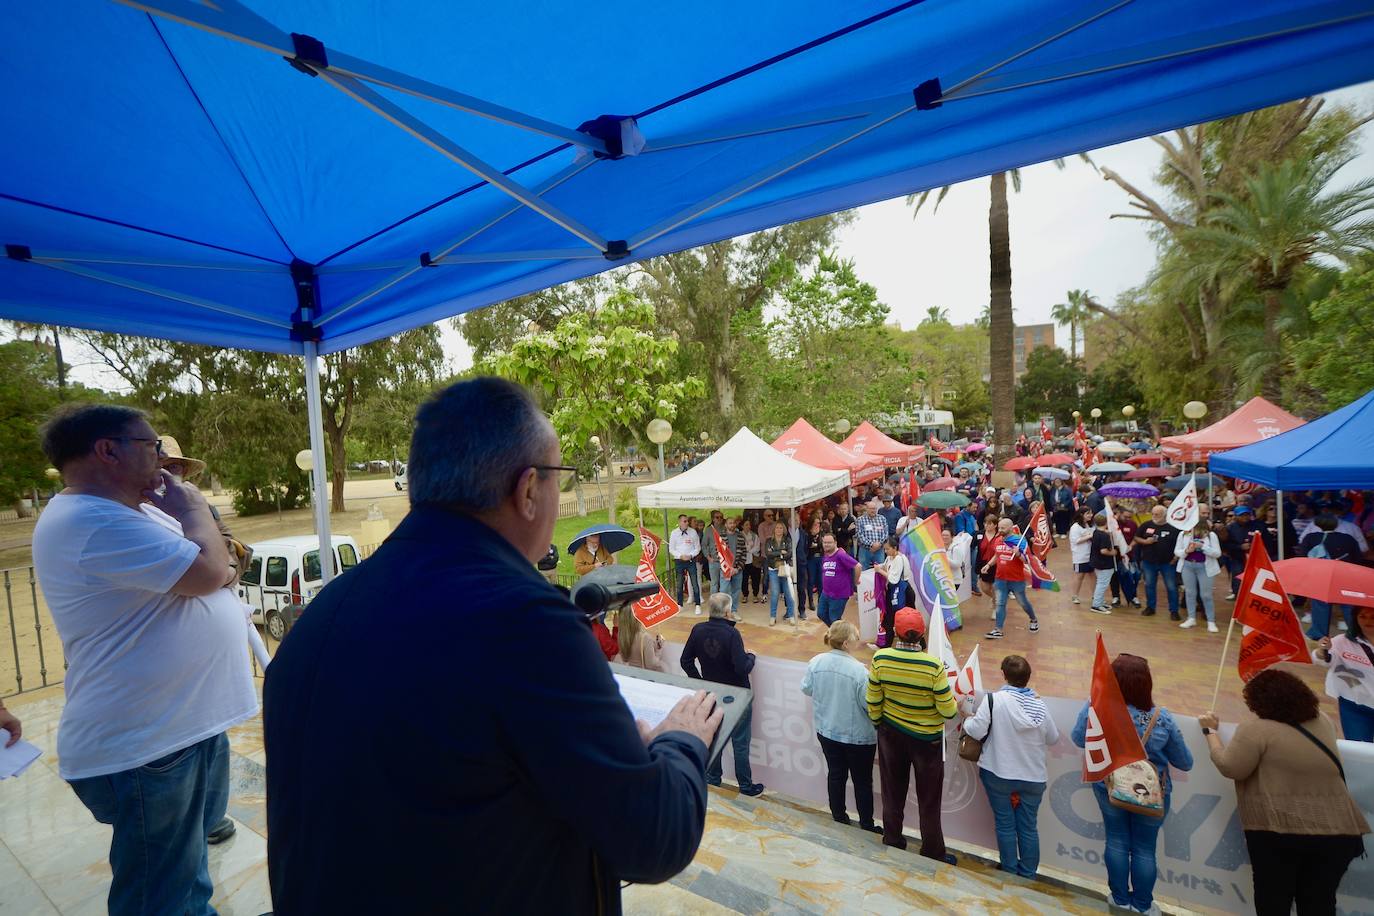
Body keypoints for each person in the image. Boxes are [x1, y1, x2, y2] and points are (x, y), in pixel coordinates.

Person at [263, 378, 721, 913]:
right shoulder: (527, 623)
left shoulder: (320, 617)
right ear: (528, 490)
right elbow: (653, 838)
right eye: (558, 479)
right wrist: (681, 741)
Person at [32, 404, 257, 916]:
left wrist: (211, 561)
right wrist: (196, 509)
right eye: (153, 446)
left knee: (186, 870)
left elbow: (222, 560)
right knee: (163, 891)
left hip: (181, 727)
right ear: (108, 450)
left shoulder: (135, 508)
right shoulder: (89, 520)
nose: (162, 458)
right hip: (148, 743)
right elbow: (208, 569)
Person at [1198, 669, 1369, 915]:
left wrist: (1210, 732)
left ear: (1260, 702)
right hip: (1338, 830)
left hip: (1279, 831)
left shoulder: (1255, 729)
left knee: (1273, 902)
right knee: (1319, 903)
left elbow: (1231, 767)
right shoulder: (1323, 720)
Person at [1071, 654, 1193, 915]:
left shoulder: (1097, 706)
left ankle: (1118, 899)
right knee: (1144, 849)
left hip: (1109, 786)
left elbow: (1078, 738)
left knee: (1116, 841)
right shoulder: (1162, 718)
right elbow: (1185, 762)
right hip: (1152, 793)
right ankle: (1142, 905)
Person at [867, 608, 959, 862]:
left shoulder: (881, 659)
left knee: (892, 793)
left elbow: (873, 699)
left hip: (890, 735)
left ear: (896, 631)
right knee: (929, 800)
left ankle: (893, 839)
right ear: (921, 634)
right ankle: (932, 850)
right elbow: (948, 710)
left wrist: (879, 722)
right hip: (926, 741)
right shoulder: (933, 666)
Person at [962, 655, 1061, 879]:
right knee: (1028, 827)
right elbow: (1053, 738)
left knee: (1005, 824)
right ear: (1028, 679)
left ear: (1004, 675)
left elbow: (976, 731)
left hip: (998, 773)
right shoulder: (1040, 705)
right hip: (1033, 778)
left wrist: (967, 718)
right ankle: (1027, 874)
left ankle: (1008, 869)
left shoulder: (994, 701)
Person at [681, 593, 764, 796]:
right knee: (740, 743)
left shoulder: (698, 629)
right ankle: (745, 786)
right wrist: (751, 657)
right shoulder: (731, 634)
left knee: (714, 738)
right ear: (727, 611)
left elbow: (686, 661)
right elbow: (742, 668)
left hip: (712, 695)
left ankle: (712, 779)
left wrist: (702, 682)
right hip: (737, 695)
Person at [801, 620, 879, 833]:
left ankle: (839, 815)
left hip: (827, 730)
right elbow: (869, 705)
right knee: (862, 781)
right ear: (846, 643)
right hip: (857, 737)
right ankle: (866, 823)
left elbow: (806, 688)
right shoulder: (859, 672)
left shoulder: (816, 662)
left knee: (836, 774)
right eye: (855, 636)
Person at [1315, 604, 1374, 742]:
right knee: (1359, 749)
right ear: (1355, 618)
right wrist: (1322, 651)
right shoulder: (1342, 641)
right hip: (1354, 705)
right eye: (1362, 616)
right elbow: (1326, 661)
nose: (1367, 621)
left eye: (1373, 617)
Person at [1301, 514, 1364, 639]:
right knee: (1348, 605)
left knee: (1320, 605)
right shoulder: (1347, 538)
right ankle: (1355, 633)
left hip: (1320, 575)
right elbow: (1357, 558)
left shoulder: (1310, 537)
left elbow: (1304, 556)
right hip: (1345, 575)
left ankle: (1318, 634)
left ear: (1318, 524)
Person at [982, 517, 1040, 639]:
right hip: (1000, 578)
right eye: (999, 527)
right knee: (1000, 603)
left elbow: (1026, 560)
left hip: (1016, 580)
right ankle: (998, 629)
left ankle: (1033, 619)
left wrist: (1018, 554)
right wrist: (988, 565)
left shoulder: (1019, 541)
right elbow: (997, 555)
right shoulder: (998, 540)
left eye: (1003, 528)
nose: (1000, 530)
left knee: (1023, 602)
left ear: (1010, 528)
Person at [1175, 517, 1222, 633]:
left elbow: (1217, 553)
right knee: (1190, 593)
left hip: (1205, 567)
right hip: (1188, 566)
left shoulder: (1211, 536)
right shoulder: (1183, 534)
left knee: (1206, 595)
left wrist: (1203, 547)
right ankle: (1191, 618)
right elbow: (1177, 551)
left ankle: (1211, 621)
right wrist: (1186, 551)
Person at [1135, 505, 1180, 620]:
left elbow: (1180, 544)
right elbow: (1136, 538)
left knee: (1171, 587)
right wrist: (1145, 541)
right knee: (1149, 585)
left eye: (1157, 514)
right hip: (1149, 562)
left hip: (1167, 563)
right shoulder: (1146, 525)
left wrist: (1175, 558)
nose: (1154, 516)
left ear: (1165, 515)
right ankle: (1150, 607)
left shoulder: (1173, 528)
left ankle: (1174, 610)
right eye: (1153, 513)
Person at [817, 533, 861, 627]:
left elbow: (858, 566)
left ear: (835, 543)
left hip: (839, 594)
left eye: (829, 542)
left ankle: (838, 634)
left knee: (834, 618)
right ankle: (838, 631)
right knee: (821, 613)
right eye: (824, 542)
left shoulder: (841, 555)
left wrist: (855, 581)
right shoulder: (826, 554)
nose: (826, 544)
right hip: (826, 592)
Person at [764, 520, 798, 627]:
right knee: (774, 593)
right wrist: (780, 553)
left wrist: (779, 555)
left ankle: (791, 616)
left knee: (788, 593)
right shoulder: (769, 541)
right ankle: (772, 617)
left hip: (785, 569)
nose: (779, 530)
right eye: (777, 528)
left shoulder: (787, 540)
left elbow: (789, 553)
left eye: (781, 528)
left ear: (784, 530)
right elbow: (768, 554)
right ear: (774, 529)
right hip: (773, 569)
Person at [669, 513, 703, 615]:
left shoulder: (693, 532)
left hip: (690, 561)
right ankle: (679, 604)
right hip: (679, 561)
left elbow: (698, 547)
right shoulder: (674, 533)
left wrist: (691, 555)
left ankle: (697, 604)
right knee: (679, 583)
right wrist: (680, 556)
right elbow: (671, 548)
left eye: (687, 521)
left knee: (694, 582)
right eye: (684, 521)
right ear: (679, 522)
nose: (687, 523)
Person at [617, 606, 666, 672]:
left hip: (631, 674)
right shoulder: (645, 638)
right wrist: (658, 651)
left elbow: (625, 658)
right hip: (643, 676)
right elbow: (651, 665)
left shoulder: (621, 636)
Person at [1088, 512, 1119, 614]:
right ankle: (1096, 605)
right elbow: (1104, 550)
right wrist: (1113, 552)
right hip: (1104, 564)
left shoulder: (1096, 532)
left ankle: (1100, 601)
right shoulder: (1104, 536)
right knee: (1102, 584)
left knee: (1101, 583)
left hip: (1097, 562)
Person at [1068, 506, 1095, 606]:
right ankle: (1075, 595)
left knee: (1092, 575)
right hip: (1080, 555)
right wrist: (1089, 536)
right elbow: (1076, 541)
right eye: (1088, 513)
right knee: (1080, 576)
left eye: (1091, 513)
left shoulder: (1090, 525)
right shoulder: (1075, 527)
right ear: (1081, 515)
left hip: (1091, 555)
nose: (1090, 515)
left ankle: (1095, 595)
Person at [718, 516, 746, 612]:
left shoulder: (740, 536)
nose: (732, 524)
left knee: (736, 591)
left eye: (733, 522)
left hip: (737, 569)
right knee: (724, 591)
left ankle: (733, 611)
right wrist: (726, 567)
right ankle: (723, 612)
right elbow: (718, 553)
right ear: (726, 525)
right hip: (725, 569)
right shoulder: (721, 537)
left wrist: (737, 568)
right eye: (730, 523)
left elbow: (744, 553)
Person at [855, 499, 890, 570]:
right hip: (865, 550)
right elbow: (860, 535)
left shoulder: (882, 518)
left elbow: (886, 533)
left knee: (880, 570)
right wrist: (872, 544)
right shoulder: (860, 520)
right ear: (866, 509)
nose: (873, 510)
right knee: (864, 571)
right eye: (871, 509)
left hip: (879, 550)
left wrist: (879, 544)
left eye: (874, 508)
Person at [803, 516, 825, 616]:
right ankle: (811, 601)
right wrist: (812, 538)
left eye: (818, 523)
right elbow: (807, 547)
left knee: (820, 580)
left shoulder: (821, 533)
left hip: (820, 558)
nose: (817, 525)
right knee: (811, 580)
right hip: (811, 559)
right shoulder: (807, 534)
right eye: (815, 523)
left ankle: (821, 601)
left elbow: (823, 546)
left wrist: (818, 540)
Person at [740, 518, 763, 604]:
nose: (748, 526)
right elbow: (740, 547)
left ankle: (755, 595)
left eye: (749, 525)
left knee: (755, 578)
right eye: (746, 525)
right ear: (742, 526)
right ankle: (745, 595)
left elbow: (757, 547)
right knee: (744, 579)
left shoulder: (754, 535)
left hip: (753, 560)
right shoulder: (739, 535)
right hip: (743, 561)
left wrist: (749, 550)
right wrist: (747, 549)